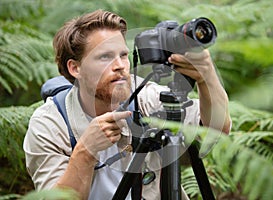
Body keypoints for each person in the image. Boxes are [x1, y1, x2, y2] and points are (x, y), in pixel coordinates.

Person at [23, 9, 231, 200]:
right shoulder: (49, 124)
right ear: (75, 68)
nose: (120, 66)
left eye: (123, 55)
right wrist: (85, 153)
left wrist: (207, 78)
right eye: (105, 57)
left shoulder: (145, 97)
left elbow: (217, 130)